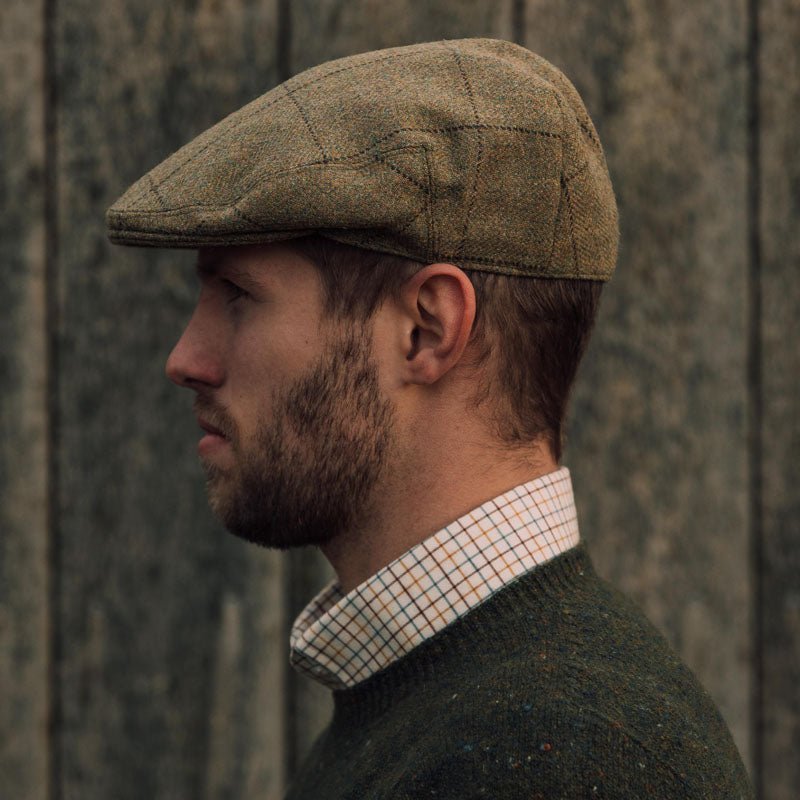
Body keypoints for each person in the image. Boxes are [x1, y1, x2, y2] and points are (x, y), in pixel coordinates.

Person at [107, 38, 753, 799]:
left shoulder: (560, 758)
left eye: (239, 296)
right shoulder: (448, 710)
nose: (186, 357)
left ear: (427, 329)